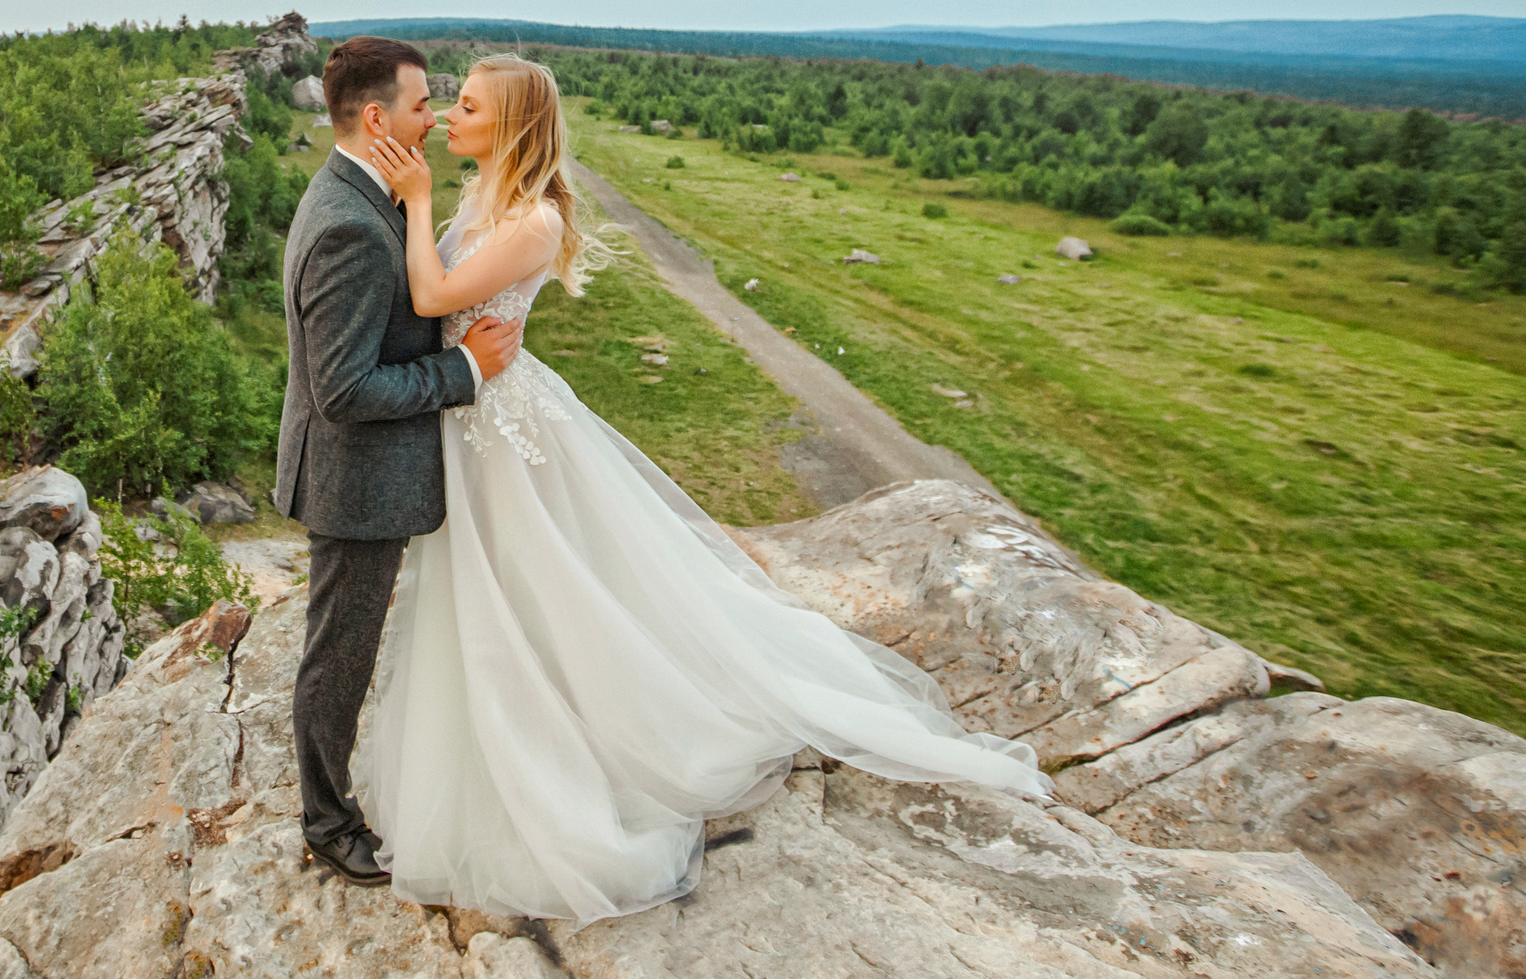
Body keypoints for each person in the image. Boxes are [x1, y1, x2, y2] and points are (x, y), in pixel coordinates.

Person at [349, 54, 1052, 924]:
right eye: (450, 101)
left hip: (499, 430)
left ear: (514, 126)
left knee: (526, 594)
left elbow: (432, 291)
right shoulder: (480, 198)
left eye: (469, 105)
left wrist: (412, 201)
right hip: (472, 413)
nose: (451, 115)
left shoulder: (529, 219)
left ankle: (563, 752)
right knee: (486, 595)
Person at [273, 36, 524, 888]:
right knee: (339, 651)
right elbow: (342, 389)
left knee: (348, 642)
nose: (436, 116)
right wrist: (464, 371)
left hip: (369, 472)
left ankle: (336, 800)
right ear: (377, 117)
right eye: (425, 105)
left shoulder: (362, 189)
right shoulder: (348, 223)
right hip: (355, 479)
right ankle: (326, 819)